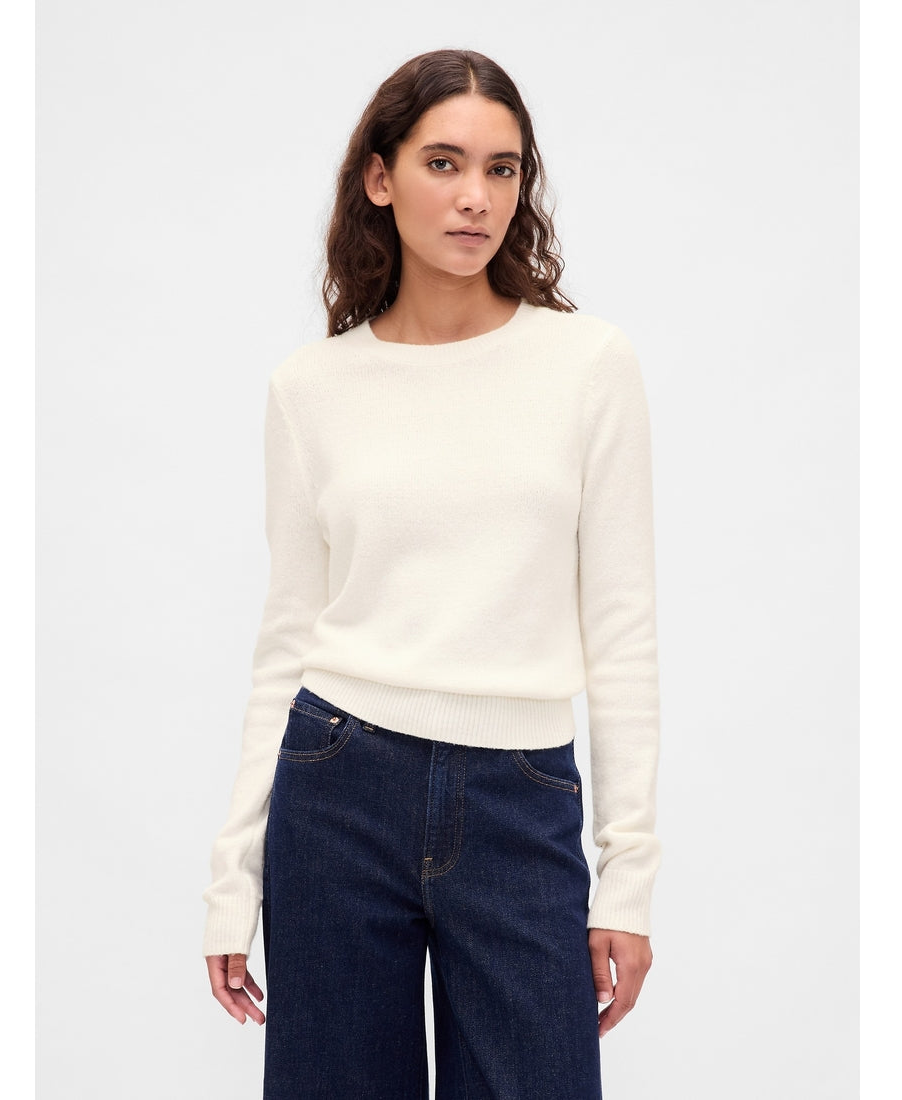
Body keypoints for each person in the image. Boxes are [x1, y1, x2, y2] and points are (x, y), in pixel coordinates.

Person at [202, 47, 661, 1100]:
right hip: (335, 786)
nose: (475, 198)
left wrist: (626, 880)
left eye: (502, 169)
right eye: (443, 163)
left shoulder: (587, 366)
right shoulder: (310, 388)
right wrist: (232, 878)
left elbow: (623, 628)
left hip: (520, 796)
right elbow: (287, 637)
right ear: (379, 176)